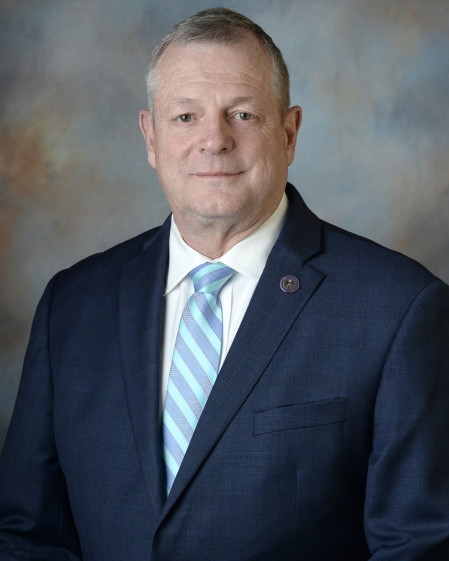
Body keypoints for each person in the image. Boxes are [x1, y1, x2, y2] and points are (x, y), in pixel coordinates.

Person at [0, 7, 448, 561]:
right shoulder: (72, 304)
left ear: (289, 133)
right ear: (150, 137)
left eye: (242, 114)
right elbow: (28, 535)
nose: (214, 140)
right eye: (186, 116)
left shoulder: (399, 309)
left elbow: (419, 547)